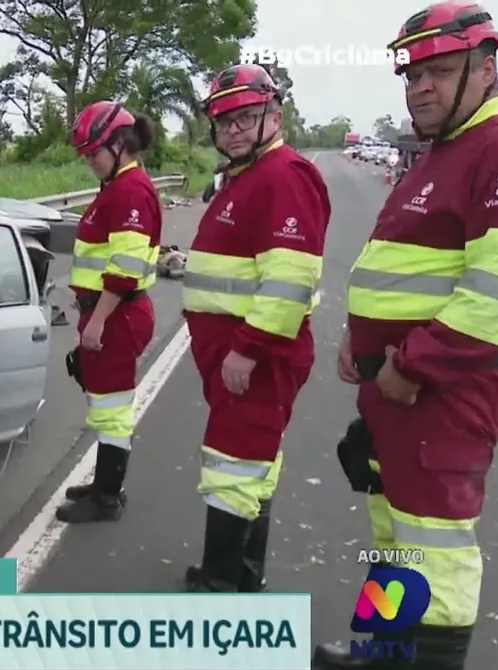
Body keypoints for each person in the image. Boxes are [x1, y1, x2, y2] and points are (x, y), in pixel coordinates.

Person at [312, 3, 498, 670]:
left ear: (487, 72)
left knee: (437, 549)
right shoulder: (445, 147)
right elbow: (404, 257)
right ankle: (389, 653)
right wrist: (359, 342)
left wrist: (410, 366)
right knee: (393, 527)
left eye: (442, 71)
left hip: (444, 391)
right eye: (414, 72)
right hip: (394, 385)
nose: (420, 87)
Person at [179, 63, 330, 593]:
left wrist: (248, 349)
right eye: (224, 122)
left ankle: (219, 582)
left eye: (246, 117)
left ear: (274, 114)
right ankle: (244, 575)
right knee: (253, 463)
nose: (234, 130)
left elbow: (289, 277)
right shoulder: (247, 176)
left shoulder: (283, 176)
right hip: (235, 354)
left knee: (232, 463)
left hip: (256, 357)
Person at [57, 100, 162, 523]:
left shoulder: (130, 191)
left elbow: (125, 269)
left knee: (113, 409)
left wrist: (97, 320)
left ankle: (107, 497)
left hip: (117, 315)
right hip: (108, 312)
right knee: (104, 404)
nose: (89, 164)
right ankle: (104, 484)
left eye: (94, 154)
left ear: (120, 144)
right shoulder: (116, 188)